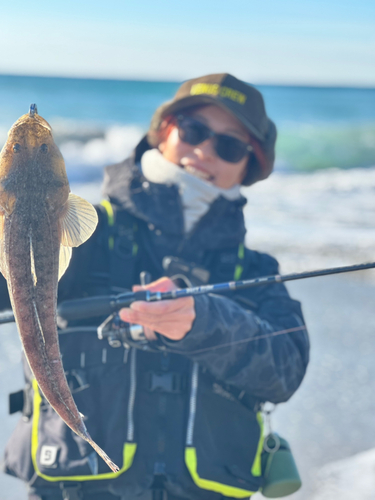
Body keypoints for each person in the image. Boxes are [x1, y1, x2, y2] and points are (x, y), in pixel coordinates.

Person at [1, 73, 309, 500]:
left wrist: (208, 322)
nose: (203, 151)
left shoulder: (253, 270)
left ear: (250, 162)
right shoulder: (89, 236)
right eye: (194, 131)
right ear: (165, 131)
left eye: (229, 145)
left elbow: (287, 369)